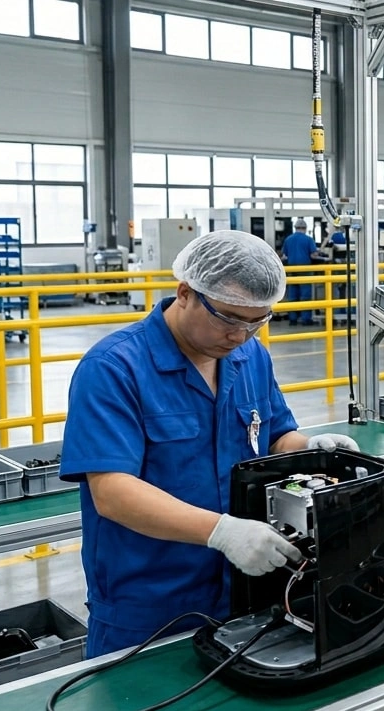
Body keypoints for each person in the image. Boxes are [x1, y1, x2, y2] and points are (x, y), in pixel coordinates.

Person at [59, 230, 361, 658]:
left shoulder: (250, 357)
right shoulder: (113, 368)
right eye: (229, 319)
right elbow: (112, 493)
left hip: (244, 587)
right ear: (185, 293)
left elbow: (275, 434)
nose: (240, 335)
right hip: (150, 604)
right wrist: (220, 532)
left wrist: (312, 450)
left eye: (257, 321)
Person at [281, 218, 319, 325]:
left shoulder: (288, 239)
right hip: (305, 270)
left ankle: (292, 319)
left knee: (292, 295)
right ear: (305, 228)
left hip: (291, 270)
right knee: (305, 295)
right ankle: (306, 319)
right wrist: (318, 253)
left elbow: (284, 256)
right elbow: (313, 255)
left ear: (295, 228)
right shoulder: (308, 239)